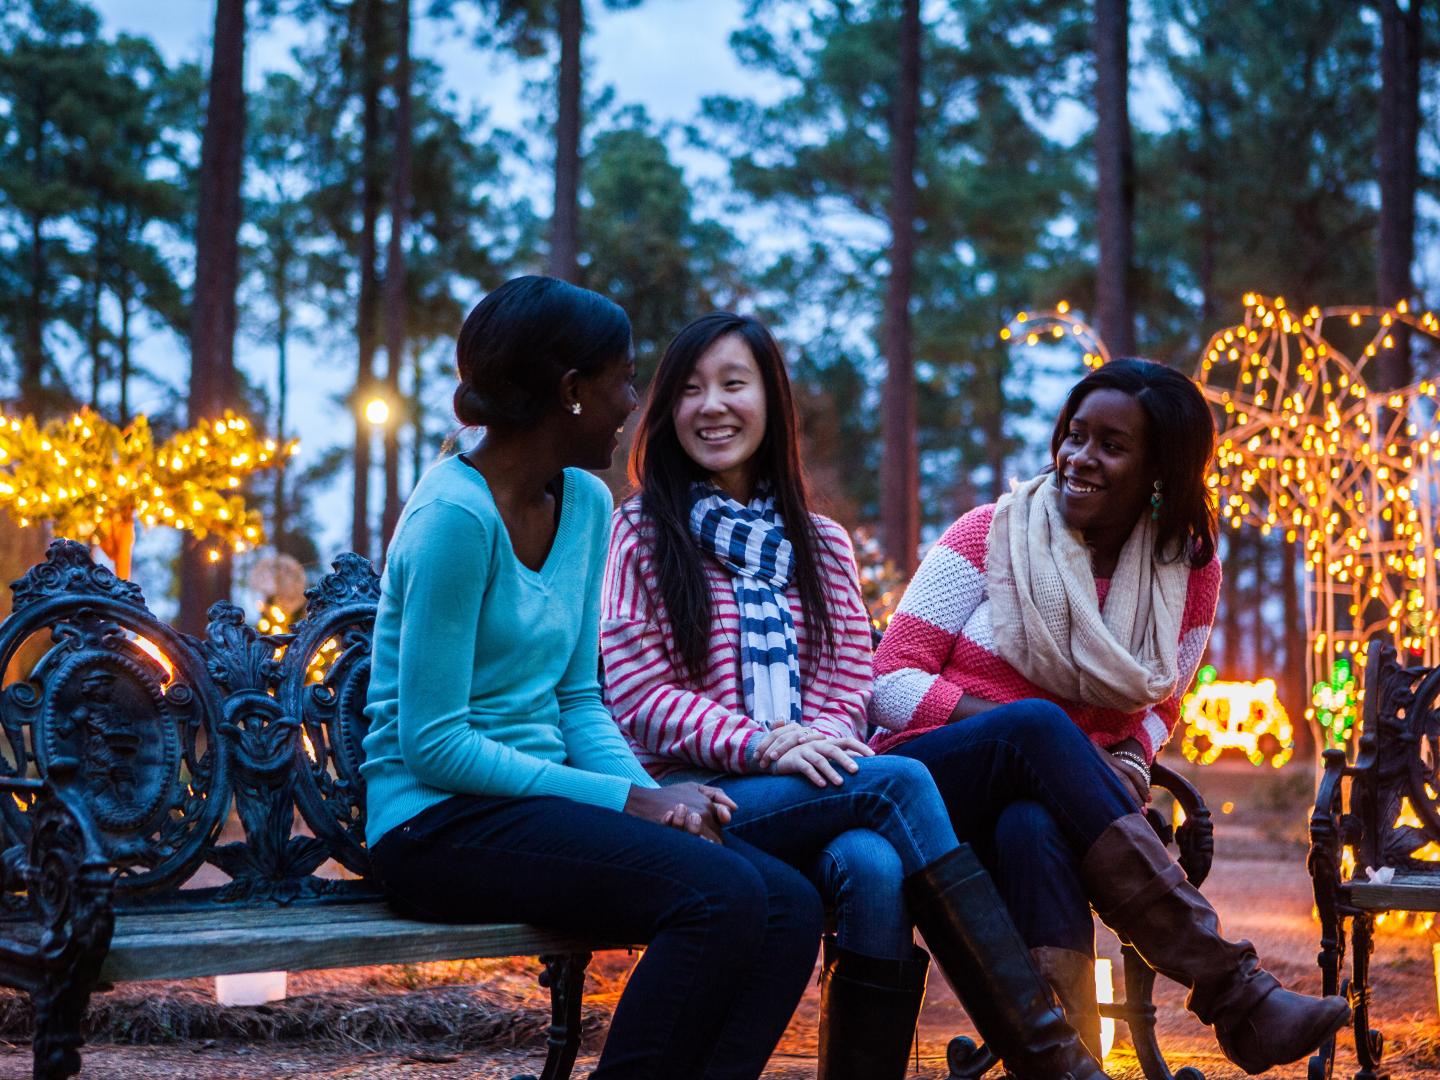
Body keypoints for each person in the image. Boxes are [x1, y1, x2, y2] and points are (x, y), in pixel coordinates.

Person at [601, 311, 1108, 1080]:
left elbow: (847, 686)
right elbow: (640, 693)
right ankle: (1050, 1056)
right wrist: (764, 744)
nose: (713, 406)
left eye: (734, 384)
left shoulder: (823, 544)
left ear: (770, 403)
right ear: (668, 411)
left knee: (872, 866)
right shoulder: (640, 531)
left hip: (807, 784)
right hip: (691, 795)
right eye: (691, 390)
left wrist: (817, 744)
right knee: (899, 781)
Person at [360, 277, 826, 1080]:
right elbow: (434, 745)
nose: (634, 404)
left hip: (534, 808)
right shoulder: (453, 520)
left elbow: (578, 698)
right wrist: (632, 800)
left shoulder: (584, 503)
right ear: (571, 390)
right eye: (624, 380)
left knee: (789, 904)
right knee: (719, 897)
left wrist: (657, 803)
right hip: (433, 826)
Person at [871, 358, 1350, 1073]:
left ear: (1160, 470)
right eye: (1074, 435)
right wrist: (1026, 733)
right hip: (925, 781)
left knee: (1031, 824)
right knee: (1038, 727)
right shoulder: (988, 535)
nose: (1079, 457)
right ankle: (1236, 993)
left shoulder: (1185, 569)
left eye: (1110, 445)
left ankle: (1067, 1061)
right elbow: (887, 684)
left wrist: (1127, 758)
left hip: (1061, 802)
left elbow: (1162, 702)